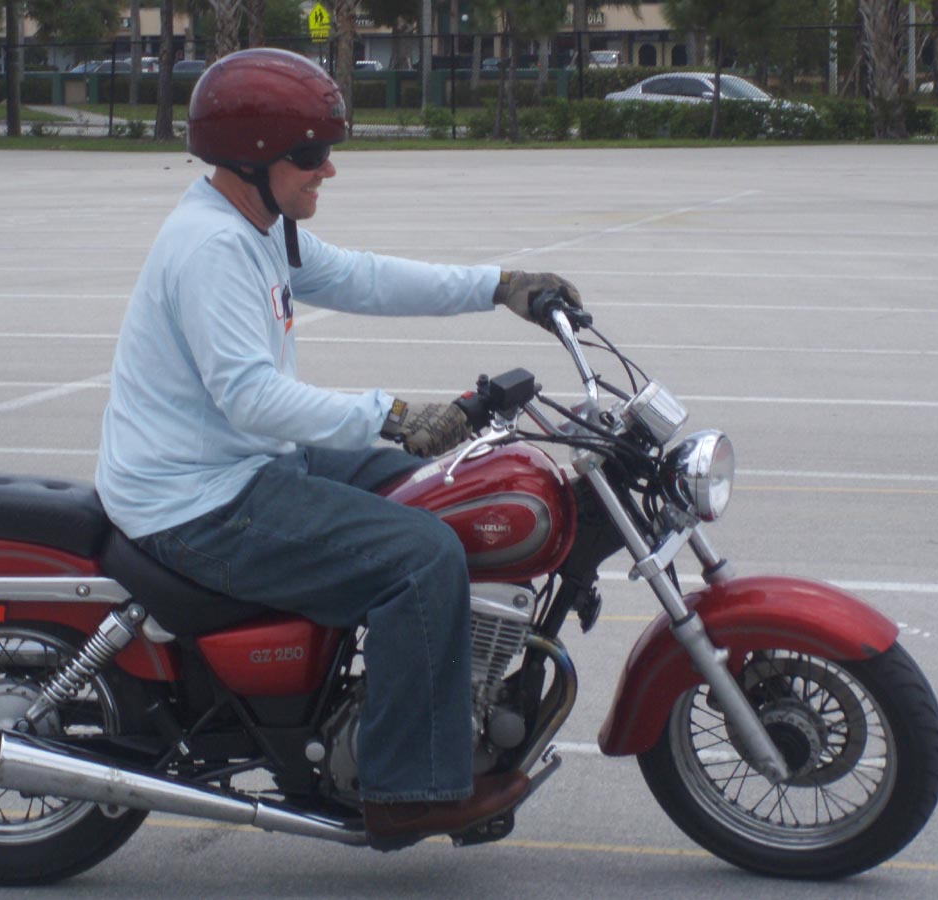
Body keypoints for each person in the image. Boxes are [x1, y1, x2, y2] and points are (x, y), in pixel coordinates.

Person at [95, 47, 581, 851]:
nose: (328, 169)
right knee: (420, 556)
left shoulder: (257, 226)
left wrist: (499, 286)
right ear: (252, 158)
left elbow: (362, 277)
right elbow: (251, 397)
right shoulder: (212, 248)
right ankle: (405, 789)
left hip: (246, 462)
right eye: (312, 153)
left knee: (438, 487)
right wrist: (393, 414)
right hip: (198, 500)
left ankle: (399, 697)